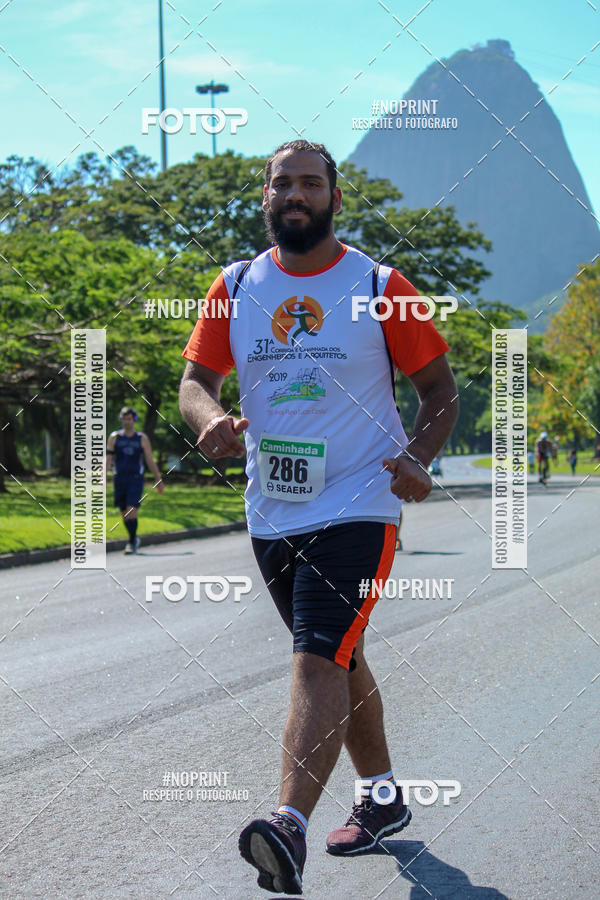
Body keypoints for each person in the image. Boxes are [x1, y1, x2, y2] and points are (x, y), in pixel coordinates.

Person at [179, 140, 458, 895]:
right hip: (273, 509)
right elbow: (195, 380)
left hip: (362, 504)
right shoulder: (235, 287)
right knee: (340, 655)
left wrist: (420, 455)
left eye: (310, 182)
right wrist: (207, 418)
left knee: (315, 655)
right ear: (265, 197)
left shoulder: (378, 284)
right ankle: (383, 797)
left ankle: (287, 827)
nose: (295, 194)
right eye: (282, 183)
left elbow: (442, 391)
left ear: (335, 196)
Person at [106, 407, 164, 553]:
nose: (127, 422)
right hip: (119, 478)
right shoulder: (114, 438)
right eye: (125, 419)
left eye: (130, 419)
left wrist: (158, 479)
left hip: (135, 478)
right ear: (122, 420)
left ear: (134, 420)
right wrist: (102, 477)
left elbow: (150, 460)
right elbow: (108, 459)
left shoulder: (142, 438)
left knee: (132, 509)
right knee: (124, 513)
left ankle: (131, 542)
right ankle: (133, 538)